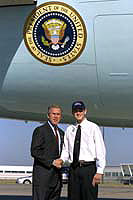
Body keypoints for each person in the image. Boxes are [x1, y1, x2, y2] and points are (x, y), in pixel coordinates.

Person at [61, 101, 106, 200]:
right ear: (73, 113)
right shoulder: (69, 129)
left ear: (85, 111)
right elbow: (65, 150)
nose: (78, 113)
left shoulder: (93, 128)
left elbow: (100, 150)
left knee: (89, 197)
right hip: (74, 169)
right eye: (76, 111)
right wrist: (61, 160)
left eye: (80, 110)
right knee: (73, 197)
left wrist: (99, 171)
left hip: (88, 169)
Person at [31, 104, 64, 200]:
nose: (56, 116)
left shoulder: (61, 133)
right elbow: (34, 151)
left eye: (58, 114)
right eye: (53, 114)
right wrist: (52, 161)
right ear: (48, 115)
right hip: (43, 179)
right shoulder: (40, 130)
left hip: (57, 179)